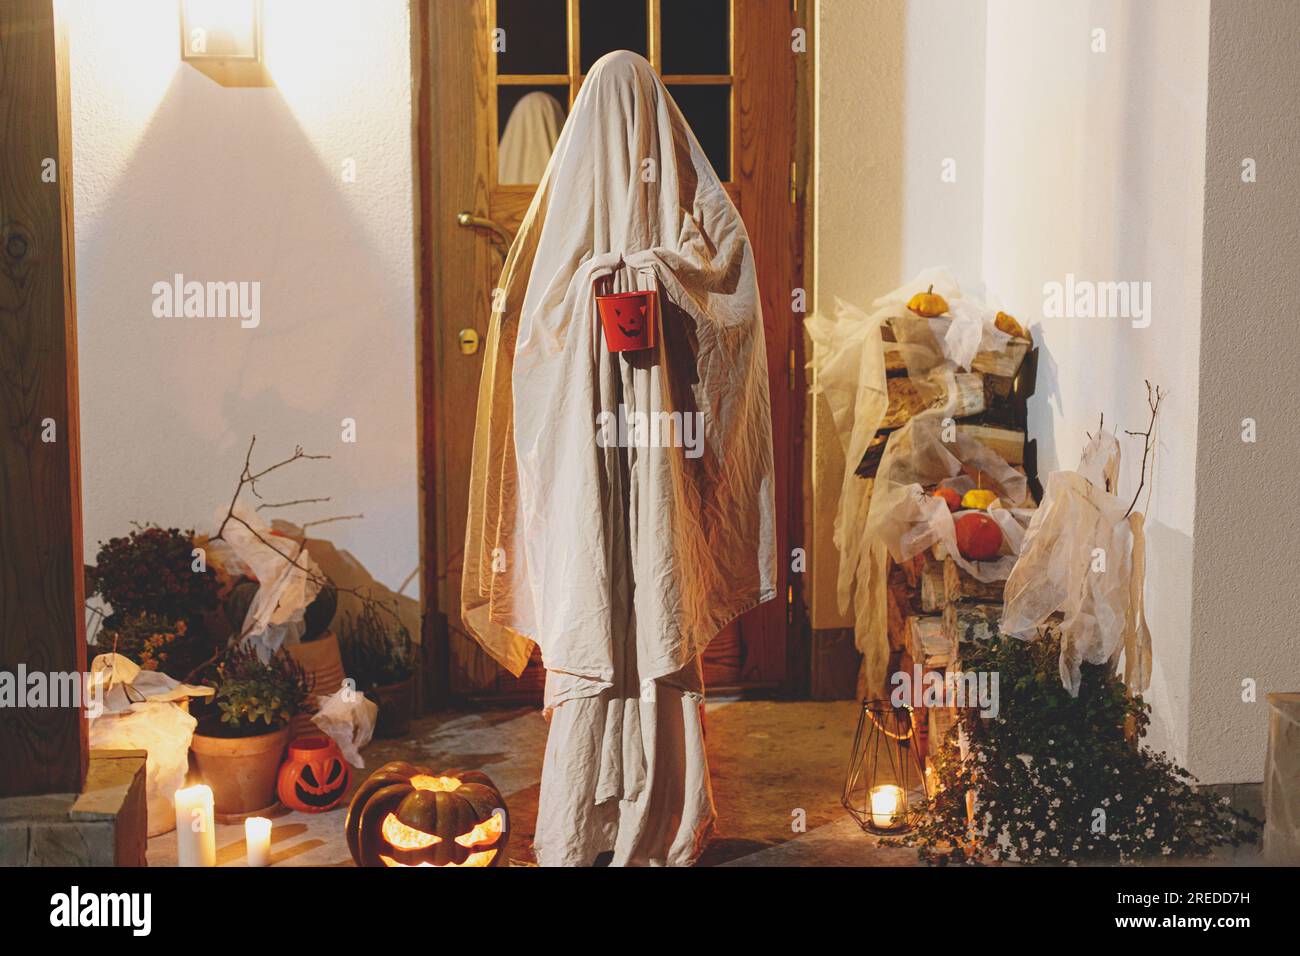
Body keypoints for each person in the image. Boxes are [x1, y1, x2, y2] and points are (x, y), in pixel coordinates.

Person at [462, 50, 775, 866]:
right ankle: (602, 817)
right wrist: (604, 287)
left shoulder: (689, 207)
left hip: (658, 460)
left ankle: (651, 815)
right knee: (599, 608)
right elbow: (534, 342)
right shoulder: (572, 227)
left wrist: (650, 275)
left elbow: (729, 287)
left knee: (654, 601)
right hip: (589, 466)